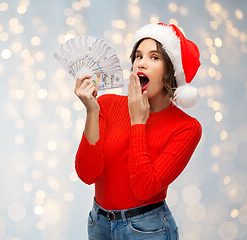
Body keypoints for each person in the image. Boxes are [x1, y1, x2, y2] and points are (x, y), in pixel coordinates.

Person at [74, 23, 202, 239]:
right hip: (99, 224)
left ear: (170, 71)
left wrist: (138, 123)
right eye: (138, 56)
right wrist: (92, 112)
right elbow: (87, 174)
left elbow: (144, 188)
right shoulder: (106, 105)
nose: (141, 63)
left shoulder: (186, 128)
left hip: (147, 229)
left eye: (154, 57)